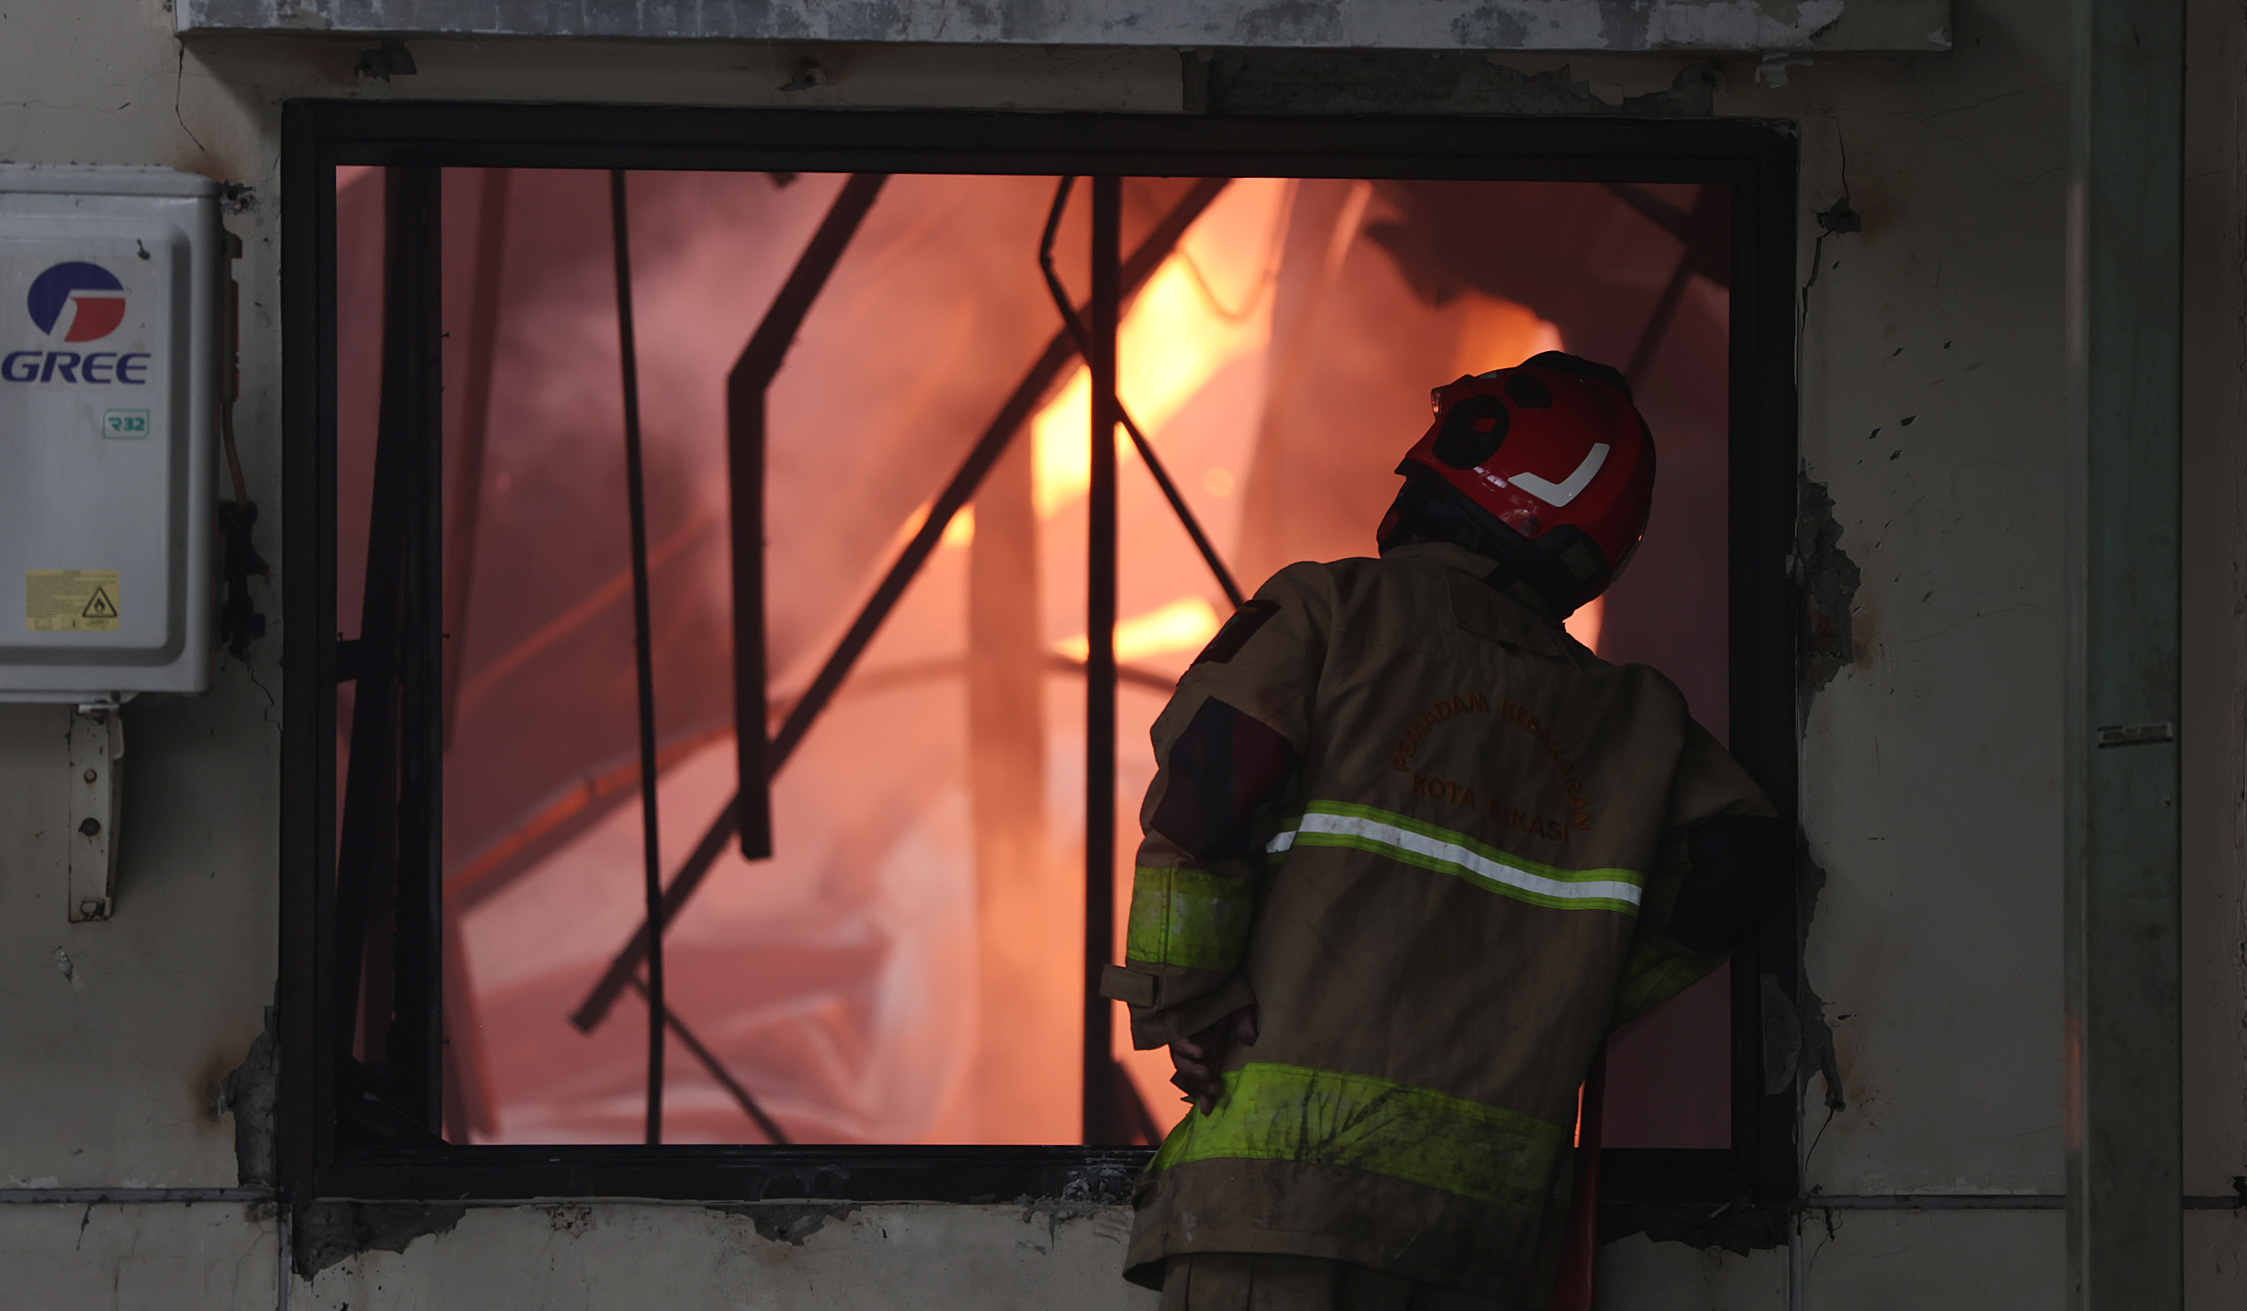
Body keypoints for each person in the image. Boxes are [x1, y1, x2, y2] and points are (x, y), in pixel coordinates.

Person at [1098, 352, 1787, 1310]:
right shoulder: (1636, 718)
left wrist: (1188, 999)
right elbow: (1742, 859)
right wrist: (1577, 987)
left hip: (1277, 1209)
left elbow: (1207, 793)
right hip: (1484, 1243)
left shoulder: (1332, 609)